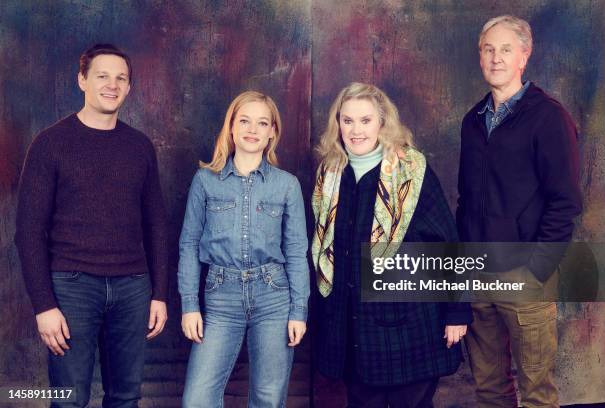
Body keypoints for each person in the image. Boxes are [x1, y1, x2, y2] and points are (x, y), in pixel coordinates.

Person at [15, 44, 169, 407]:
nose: (111, 85)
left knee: (126, 397)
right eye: (102, 76)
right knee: (69, 399)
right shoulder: (50, 144)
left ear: (129, 87)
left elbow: (156, 225)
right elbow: (28, 232)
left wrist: (159, 293)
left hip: (133, 288)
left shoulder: (140, 147)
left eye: (121, 78)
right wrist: (43, 306)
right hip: (71, 288)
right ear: (82, 79)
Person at [312, 82, 472, 407]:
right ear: (337, 124)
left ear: (382, 123)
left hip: (410, 324)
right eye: (347, 120)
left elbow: (446, 244)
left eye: (366, 120)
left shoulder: (411, 171)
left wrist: (457, 311)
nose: (356, 130)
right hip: (353, 328)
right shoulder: (330, 174)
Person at [457, 15, 582, 408]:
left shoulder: (548, 117)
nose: (496, 58)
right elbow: (466, 198)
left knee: (536, 393)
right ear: (480, 56)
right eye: (488, 49)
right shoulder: (472, 121)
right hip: (479, 273)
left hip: (526, 275)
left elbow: (565, 202)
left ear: (524, 57)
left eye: (506, 49)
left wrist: (538, 269)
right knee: (490, 389)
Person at [178, 91, 310, 407]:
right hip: (221, 295)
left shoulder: (287, 184)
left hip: (274, 295)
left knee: (267, 396)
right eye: (245, 121)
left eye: (262, 123)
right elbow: (189, 244)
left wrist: (299, 311)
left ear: (272, 133)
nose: (252, 129)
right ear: (232, 128)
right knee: (198, 399)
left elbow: (295, 250)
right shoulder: (205, 180)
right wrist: (189, 304)